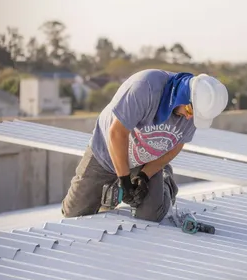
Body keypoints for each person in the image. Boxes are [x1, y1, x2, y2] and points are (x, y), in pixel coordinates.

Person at [61, 69, 229, 222]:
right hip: (106, 153)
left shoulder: (194, 111)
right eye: (190, 111)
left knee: (150, 215)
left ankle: (165, 181)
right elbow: (116, 133)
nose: (188, 118)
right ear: (184, 95)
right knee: (73, 215)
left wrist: (144, 176)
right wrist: (125, 180)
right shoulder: (145, 87)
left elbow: (175, 147)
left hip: (146, 159)